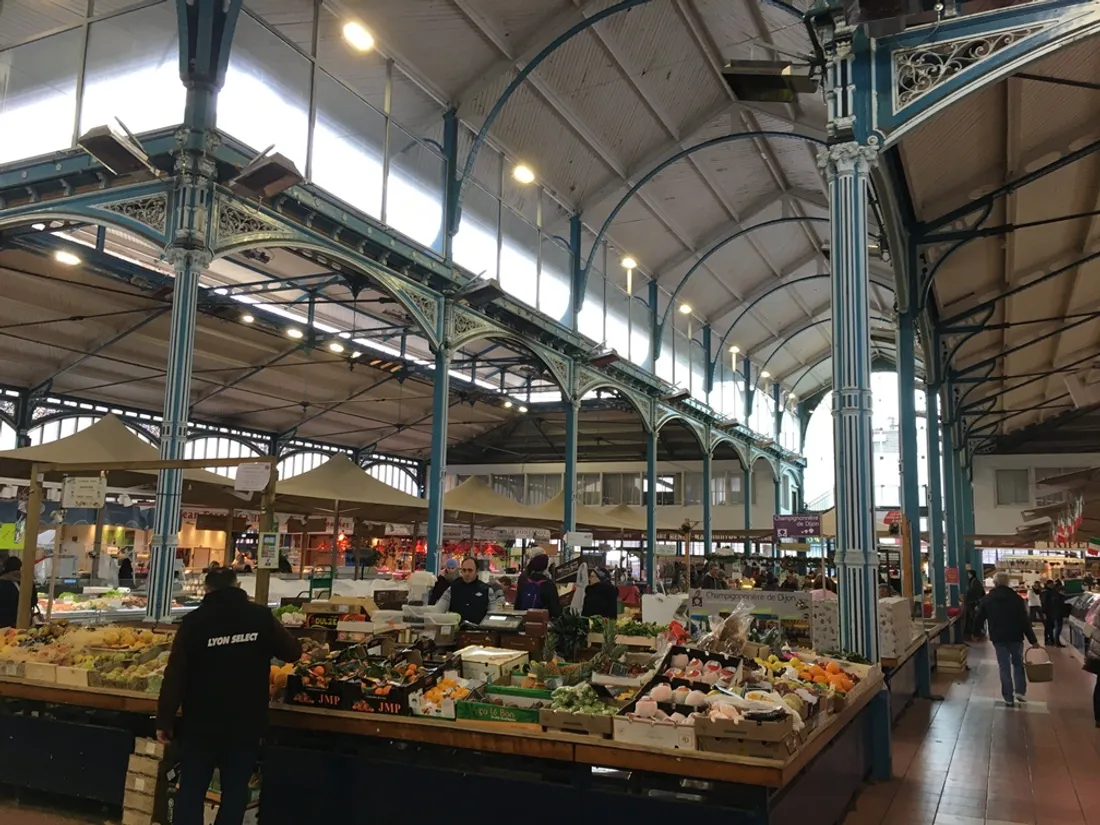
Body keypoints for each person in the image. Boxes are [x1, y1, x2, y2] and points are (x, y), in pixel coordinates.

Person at [156, 568, 301, 825]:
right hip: (245, 723)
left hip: (201, 724)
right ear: (237, 586)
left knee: (191, 790)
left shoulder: (193, 623)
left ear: (207, 590)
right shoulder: (260, 617)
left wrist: (164, 720)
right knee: (234, 793)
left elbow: (175, 674)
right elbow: (292, 652)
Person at [976, 571, 1040, 707]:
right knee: (1018, 663)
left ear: (995, 583)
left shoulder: (988, 599)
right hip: (1015, 636)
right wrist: (1033, 639)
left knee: (1004, 666)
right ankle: (1020, 692)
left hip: (998, 637)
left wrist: (976, 632)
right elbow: (1024, 621)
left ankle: (1008, 697)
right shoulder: (1017, 599)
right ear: (1008, 582)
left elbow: (979, 617)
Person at [435, 557, 493, 624]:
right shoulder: (452, 588)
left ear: (477, 571)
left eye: (470, 570)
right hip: (455, 631)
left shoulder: (487, 590)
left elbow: (492, 614)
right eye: (464, 570)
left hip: (479, 632)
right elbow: (439, 609)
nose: (466, 574)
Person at [514, 553, 561, 617]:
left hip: (525, 619)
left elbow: (518, 603)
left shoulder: (524, 582)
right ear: (545, 567)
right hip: (541, 620)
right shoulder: (549, 584)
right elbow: (555, 610)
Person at [0, 557, 33, 628]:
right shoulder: (27, 579)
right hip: (22, 621)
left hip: (3, 622)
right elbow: (33, 600)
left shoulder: (2, 580)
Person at [965, 570, 987, 639]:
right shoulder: (974, 581)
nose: (968, 575)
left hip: (974, 603)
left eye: (969, 574)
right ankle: (976, 632)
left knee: (974, 618)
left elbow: (975, 593)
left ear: (972, 574)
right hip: (974, 602)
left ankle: (975, 633)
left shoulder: (975, 583)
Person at [1041, 579, 1062, 646]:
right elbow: (1044, 603)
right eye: (1051, 584)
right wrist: (1044, 612)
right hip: (1048, 612)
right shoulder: (1046, 592)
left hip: (1051, 612)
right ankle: (1048, 640)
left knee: (1051, 626)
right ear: (1048, 584)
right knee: (1048, 627)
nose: (1052, 585)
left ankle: (1051, 640)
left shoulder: (1051, 591)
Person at [1054, 580, 1068, 647]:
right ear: (1060, 591)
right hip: (1059, 614)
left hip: (1056, 614)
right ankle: (1057, 642)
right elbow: (1061, 606)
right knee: (1058, 628)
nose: (1064, 592)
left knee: (1057, 628)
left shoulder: (1056, 596)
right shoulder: (1060, 597)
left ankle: (1056, 641)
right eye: (1064, 591)